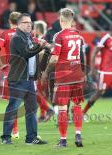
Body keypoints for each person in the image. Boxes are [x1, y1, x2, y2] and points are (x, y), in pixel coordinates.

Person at [0, 13, 48, 145]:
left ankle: (31, 138)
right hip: (18, 79)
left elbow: (35, 55)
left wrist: (46, 49)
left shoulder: (30, 38)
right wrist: (40, 47)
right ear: (19, 25)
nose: (29, 24)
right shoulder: (17, 38)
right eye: (26, 22)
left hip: (29, 79)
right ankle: (6, 137)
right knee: (13, 108)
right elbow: (26, 53)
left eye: (30, 22)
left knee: (32, 109)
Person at [42, 8, 86, 147]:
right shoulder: (78, 35)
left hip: (64, 77)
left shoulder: (59, 36)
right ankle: (78, 135)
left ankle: (63, 140)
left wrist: (46, 71)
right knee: (77, 106)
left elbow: (54, 58)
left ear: (61, 20)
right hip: (77, 75)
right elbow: (80, 55)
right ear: (71, 20)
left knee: (62, 108)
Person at [0, 11, 21, 138]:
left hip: (11, 71)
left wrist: (0, 65)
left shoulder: (5, 34)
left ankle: (14, 131)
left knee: (12, 102)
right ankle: (33, 133)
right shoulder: (26, 33)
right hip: (24, 71)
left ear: (9, 21)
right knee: (30, 101)